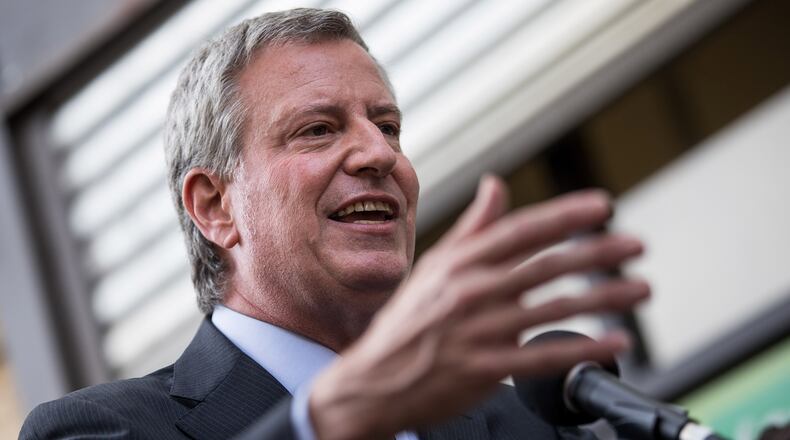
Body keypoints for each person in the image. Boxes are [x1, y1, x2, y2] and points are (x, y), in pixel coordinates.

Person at [20, 8, 649, 440]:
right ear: (215, 206)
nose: (379, 153)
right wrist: (329, 420)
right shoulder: (100, 429)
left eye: (389, 127)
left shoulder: (521, 422)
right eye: (317, 130)